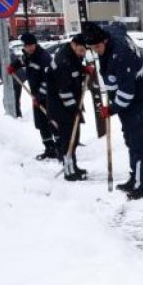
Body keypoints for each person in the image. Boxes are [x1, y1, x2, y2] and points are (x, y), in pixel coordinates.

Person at [82, 24, 143, 201]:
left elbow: (126, 93)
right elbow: (119, 25)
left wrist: (111, 109)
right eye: (92, 49)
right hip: (130, 101)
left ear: (105, 40)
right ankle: (135, 178)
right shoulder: (109, 34)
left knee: (138, 142)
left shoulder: (121, 55)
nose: (96, 52)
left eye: (97, 47)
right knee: (130, 139)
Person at [45, 35, 91, 181]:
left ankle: (73, 166)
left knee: (74, 137)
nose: (83, 54)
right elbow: (64, 91)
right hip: (61, 107)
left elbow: (75, 73)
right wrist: (74, 109)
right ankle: (69, 171)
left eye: (85, 51)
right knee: (68, 139)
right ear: (73, 44)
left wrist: (84, 70)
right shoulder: (63, 61)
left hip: (69, 105)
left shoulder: (71, 56)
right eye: (81, 50)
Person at [14, 33, 59, 160]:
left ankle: (61, 148)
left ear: (35, 44)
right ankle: (49, 148)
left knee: (52, 122)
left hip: (48, 96)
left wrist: (40, 96)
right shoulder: (29, 56)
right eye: (26, 46)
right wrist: (14, 66)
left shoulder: (44, 57)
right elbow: (22, 60)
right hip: (36, 95)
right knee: (42, 123)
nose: (29, 48)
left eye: (31, 45)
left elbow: (48, 80)